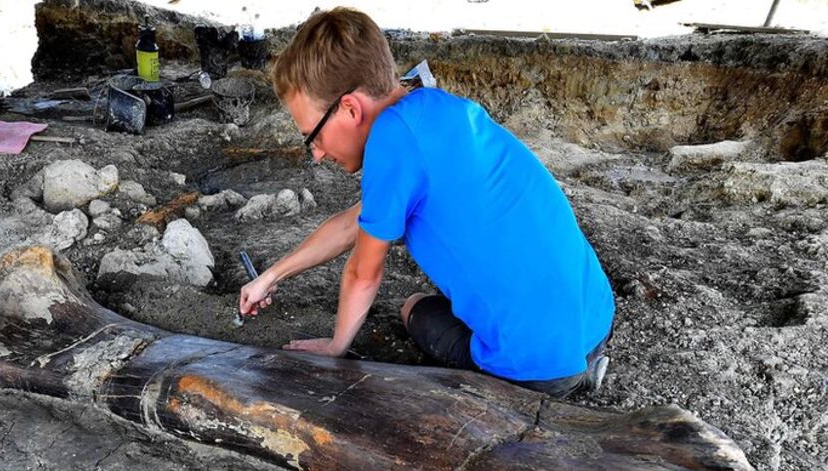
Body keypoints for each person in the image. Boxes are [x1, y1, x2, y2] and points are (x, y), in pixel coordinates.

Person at [238, 8, 615, 398]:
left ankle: (542, 383)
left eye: (312, 136)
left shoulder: (389, 140)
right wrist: (270, 277)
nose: (316, 153)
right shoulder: (434, 108)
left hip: (539, 367)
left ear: (350, 108)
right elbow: (357, 222)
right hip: (596, 322)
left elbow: (363, 274)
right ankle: (584, 370)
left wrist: (336, 347)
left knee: (413, 308)